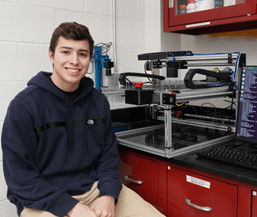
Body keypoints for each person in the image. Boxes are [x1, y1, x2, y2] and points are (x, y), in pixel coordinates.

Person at [1, 22, 165, 217]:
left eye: (82, 54)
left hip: (93, 190)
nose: (75, 61)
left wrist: (108, 194)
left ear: (89, 59)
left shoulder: (97, 101)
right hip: (43, 198)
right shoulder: (24, 106)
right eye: (66, 52)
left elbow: (107, 155)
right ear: (51, 55)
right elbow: (20, 176)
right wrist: (70, 207)